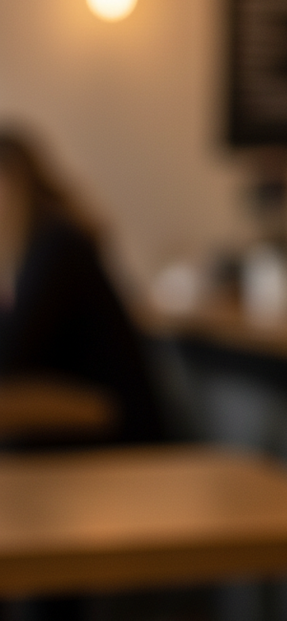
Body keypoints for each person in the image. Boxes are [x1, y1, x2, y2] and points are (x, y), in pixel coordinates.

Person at [0, 129, 165, 446]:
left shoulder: (57, 245)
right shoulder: (32, 249)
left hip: (118, 424)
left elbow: (10, 354)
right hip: (83, 408)